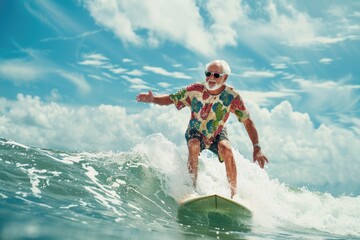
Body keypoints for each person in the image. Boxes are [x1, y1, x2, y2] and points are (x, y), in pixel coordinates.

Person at [136, 60, 268, 198]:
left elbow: (247, 121)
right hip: (195, 129)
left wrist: (257, 147)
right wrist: (153, 99)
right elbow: (171, 98)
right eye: (208, 73)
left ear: (225, 78)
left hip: (217, 131)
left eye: (216, 75)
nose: (211, 78)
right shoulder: (195, 90)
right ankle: (191, 190)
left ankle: (234, 195)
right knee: (194, 144)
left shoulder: (232, 96)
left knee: (227, 150)